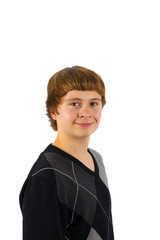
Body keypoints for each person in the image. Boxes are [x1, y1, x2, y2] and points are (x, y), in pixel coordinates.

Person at [19, 66, 114, 240]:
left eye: (93, 103)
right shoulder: (45, 178)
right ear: (54, 111)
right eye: (74, 104)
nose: (86, 113)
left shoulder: (95, 158)